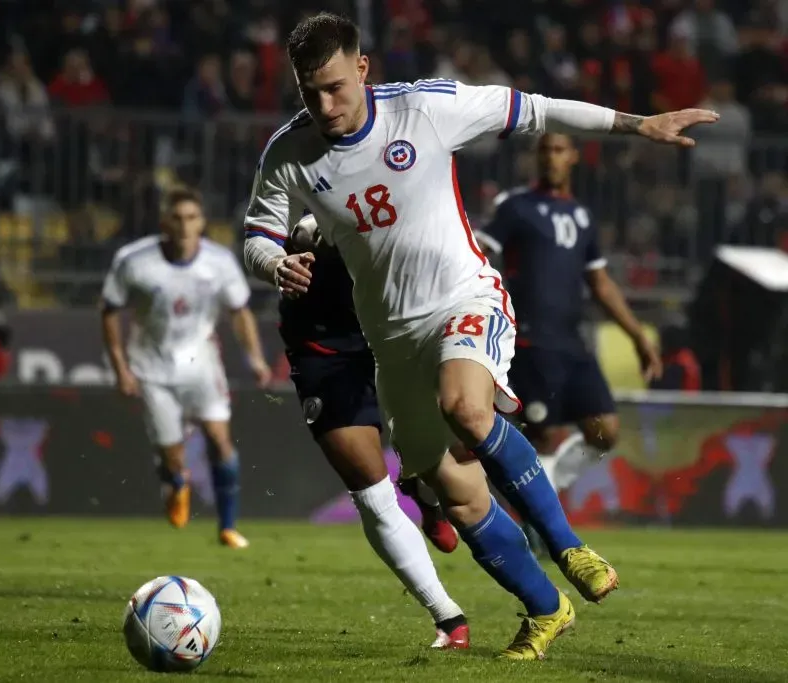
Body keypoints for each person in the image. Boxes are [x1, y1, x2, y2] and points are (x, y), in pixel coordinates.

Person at [242, 13, 717, 659]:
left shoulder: (426, 108)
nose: (323, 104)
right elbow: (258, 233)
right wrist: (275, 262)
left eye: (333, 86)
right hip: (390, 339)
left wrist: (639, 125)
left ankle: (567, 545)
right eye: (309, 91)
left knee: (465, 407)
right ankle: (547, 609)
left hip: (464, 299)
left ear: (362, 69)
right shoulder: (289, 151)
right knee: (459, 499)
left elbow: (537, 109)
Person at [282, 211, 468, 649]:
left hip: (397, 333)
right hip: (325, 350)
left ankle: (424, 491)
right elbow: (264, 243)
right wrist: (282, 259)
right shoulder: (303, 190)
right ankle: (449, 618)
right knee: (370, 491)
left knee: (443, 443)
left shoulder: (410, 191)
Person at [476, 133, 664, 554]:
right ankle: (539, 530)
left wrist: (637, 335)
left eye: (559, 150)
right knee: (542, 435)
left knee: (605, 431)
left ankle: (546, 489)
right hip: (530, 341)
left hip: (572, 342)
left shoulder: (581, 215)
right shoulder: (516, 207)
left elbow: (599, 282)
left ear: (574, 157)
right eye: (544, 151)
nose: (550, 158)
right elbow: (479, 254)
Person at [102, 186, 271, 549]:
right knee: (173, 455)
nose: (184, 225)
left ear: (202, 222)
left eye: (192, 218)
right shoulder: (134, 261)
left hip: (201, 364)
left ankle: (227, 526)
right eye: (176, 218)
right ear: (164, 221)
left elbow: (239, 311)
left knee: (219, 438)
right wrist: (120, 368)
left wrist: (254, 357)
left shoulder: (219, 262)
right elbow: (110, 311)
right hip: (151, 366)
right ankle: (175, 481)